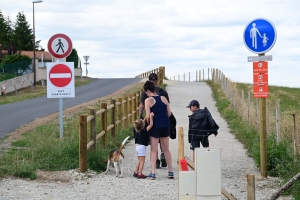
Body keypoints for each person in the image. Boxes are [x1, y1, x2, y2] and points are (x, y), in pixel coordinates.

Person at [143, 81, 174, 180]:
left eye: (146, 92)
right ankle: (170, 171)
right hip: (165, 125)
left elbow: (148, 117)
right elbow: (169, 113)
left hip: (155, 126)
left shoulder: (148, 100)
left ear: (148, 91)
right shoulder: (164, 98)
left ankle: (153, 172)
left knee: (153, 150)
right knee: (166, 149)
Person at [139, 73, 170, 168]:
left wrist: (140, 117)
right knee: (165, 147)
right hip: (164, 122)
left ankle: (155, 163)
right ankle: (169, 168)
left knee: (153, 146)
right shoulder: (163, 93)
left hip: (153, 122)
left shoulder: (145, 94)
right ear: (157, 81)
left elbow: (141, 106)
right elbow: (168, 110)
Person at [133, 112, 154, 179]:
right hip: (142, 147)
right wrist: (151, 116)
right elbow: (151, 124)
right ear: (143, 125)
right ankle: (140, 173)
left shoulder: (137, 130)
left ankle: (136, 172)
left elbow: (142, 123)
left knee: (139, 160)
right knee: (142, 161)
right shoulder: (144, 131)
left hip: (138, 147)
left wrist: (145, 118)